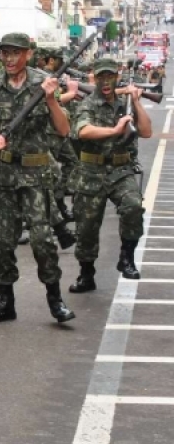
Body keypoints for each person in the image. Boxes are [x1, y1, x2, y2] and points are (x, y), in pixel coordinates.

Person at [0, 32, 76, 324]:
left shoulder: (44, 83)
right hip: (3, 176)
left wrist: (51, 99)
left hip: (36, 177)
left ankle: (55, 299)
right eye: (5, 53)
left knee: (42, 241)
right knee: (2, 242)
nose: (10, 58)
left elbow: (64, 130)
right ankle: (5, 302)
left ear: (28, 54)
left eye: (16, 53)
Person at [68, 58, 150, 292]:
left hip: (120, 170)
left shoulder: (125, 102)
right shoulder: (88, 103)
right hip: (91, 171)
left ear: (117, 77)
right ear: (94, 77)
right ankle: (86, 273)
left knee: (133, 206)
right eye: (101, 76)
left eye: (110, 76)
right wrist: (114, 130)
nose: (105, 81)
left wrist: (136, 102)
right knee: (86, 226)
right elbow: (83, 130)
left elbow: (146, 131)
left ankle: (126, 258)